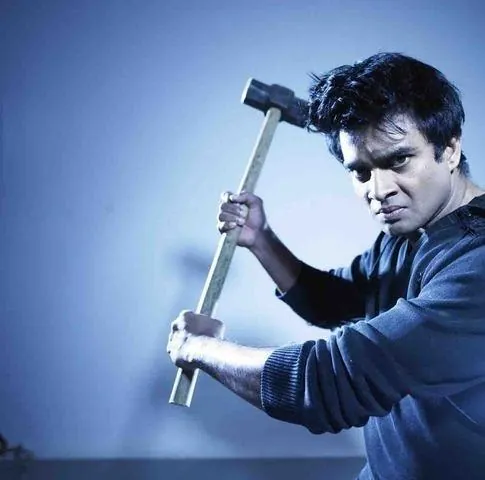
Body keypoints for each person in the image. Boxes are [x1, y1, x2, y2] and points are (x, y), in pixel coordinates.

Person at [166, 52, 485, 479]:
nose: (379, 190)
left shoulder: (477, 263)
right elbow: (337, 302)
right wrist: (261, 239)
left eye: (398, 160)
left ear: (450, 149)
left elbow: (328, 382)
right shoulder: (411, 232)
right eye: (361, 172)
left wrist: (199, 348)